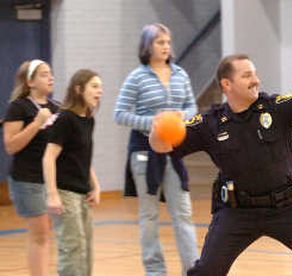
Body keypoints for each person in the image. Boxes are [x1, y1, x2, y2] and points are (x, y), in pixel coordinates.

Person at [149, 54, 292, 276]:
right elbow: (162, 146)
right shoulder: (210, 123)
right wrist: (158, 130)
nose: (256, 80)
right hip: (237, 212)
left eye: (254, 74)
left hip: (286, 208)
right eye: (247, 75)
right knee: (207, 271)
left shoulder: (276, 107)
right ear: (227, 84)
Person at [114, 23, 199, 275]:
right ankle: (155, 270)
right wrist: (153, 122)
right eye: (160, 42)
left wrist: (179, 116)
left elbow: (192, 108)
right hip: (143, 152)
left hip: (174, 152)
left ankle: (193, 269)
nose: (166, 47)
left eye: (168, 42)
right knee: (149, 216)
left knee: (183, 212)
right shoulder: (136, 77)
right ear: (147, 46)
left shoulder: (180, 74)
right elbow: (120, 114)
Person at [43, 69, 102, 276]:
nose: (99, 91)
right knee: (72, 247)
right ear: (78, 89)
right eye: (94, 86)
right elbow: (48, 157)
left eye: (100, 87)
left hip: (82, 192)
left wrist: (95, 185)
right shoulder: (65, 119)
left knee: (85, 247)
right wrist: (52, 194)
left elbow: (83, 158)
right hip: (64, 192)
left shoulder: (88, 120)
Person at [3, 59, 58, 276]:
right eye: (44, 74)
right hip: (27, 179)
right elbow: (10, 146)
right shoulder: (18, 107)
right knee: (40, 234)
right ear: (31, 81)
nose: (50, 77)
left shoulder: (57, 108)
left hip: (49, 179)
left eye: (51, 73)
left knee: (46, 233)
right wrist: (36, 123)